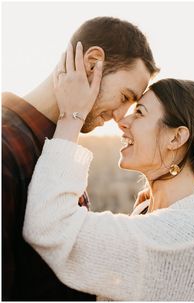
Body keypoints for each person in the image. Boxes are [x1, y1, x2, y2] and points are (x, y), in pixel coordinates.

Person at [23, 42, 194, 301]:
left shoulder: (192, 232)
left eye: (140, 113)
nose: (122, 122)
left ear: (176, 138)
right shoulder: (159, 216)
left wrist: (72, 116)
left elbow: (50, 227)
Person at [2, 17, 158, 300]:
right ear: (92, 63)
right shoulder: (6, 148)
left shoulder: (58, 145)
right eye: (124, 96)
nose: (120, 117)